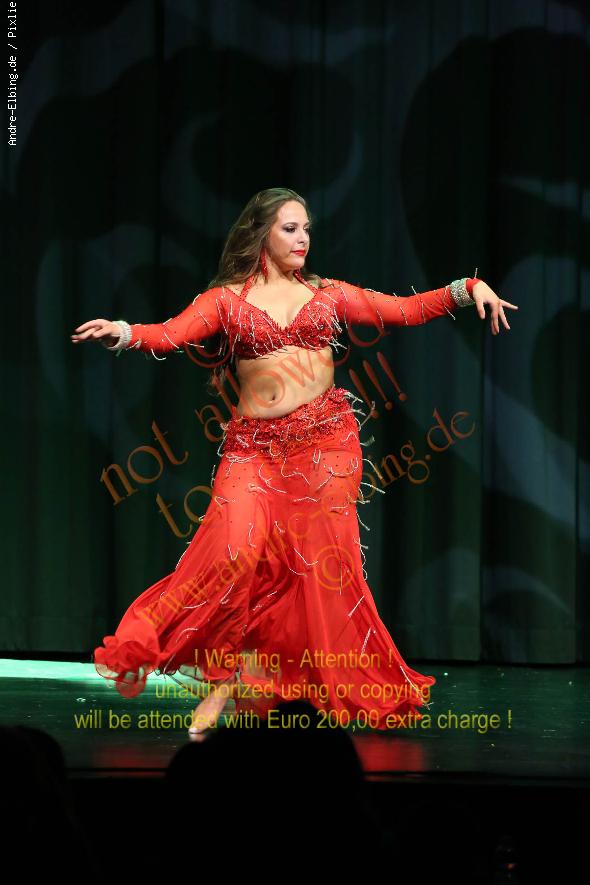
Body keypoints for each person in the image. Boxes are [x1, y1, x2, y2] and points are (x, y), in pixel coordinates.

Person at [71, 187, 518, 737]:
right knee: (233, 555)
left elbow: (404, 310)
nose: (303, 238)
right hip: (252, 450)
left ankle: (280, 685)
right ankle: (222, 679)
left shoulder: (328, 295)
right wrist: (122, 333)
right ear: (260, 233)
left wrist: (469, 288)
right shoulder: (225, 300)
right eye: (290, 228)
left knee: (319, 572)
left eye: (307, 228)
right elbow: (169, 334)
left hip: (326, 447)